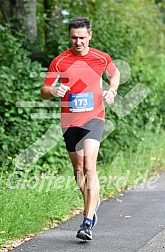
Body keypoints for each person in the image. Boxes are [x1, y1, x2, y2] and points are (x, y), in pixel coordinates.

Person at [40, 17, 120, 241]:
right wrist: (53, 91)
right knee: (78, 170)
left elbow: (115, 74)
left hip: (94, 117)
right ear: (69, 37)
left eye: (82, 37)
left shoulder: (100, 58)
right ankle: (91, 206)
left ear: (90, 36)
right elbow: (44, 90)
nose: (78, 42)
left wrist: (111, 91)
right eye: (74, 38)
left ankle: (87, 221)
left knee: (89, 165)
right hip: (69, 121)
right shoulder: (59, 61)